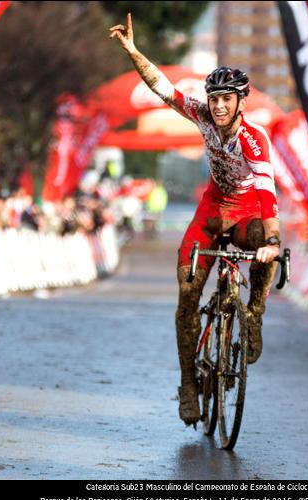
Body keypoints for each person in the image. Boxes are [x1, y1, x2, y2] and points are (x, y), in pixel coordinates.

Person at [110, 14, 282, 426]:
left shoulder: (254, 139)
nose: (219, 106)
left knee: (263, 243)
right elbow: (163, 89)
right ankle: (189, 384)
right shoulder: (203, 116)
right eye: (215, 98)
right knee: (187, 296)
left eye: (227, 99)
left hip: (246, 213)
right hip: (210, 213)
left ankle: (254, 313)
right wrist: (135, 53)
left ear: (241, 101)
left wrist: (271, 241)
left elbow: (267, 194)